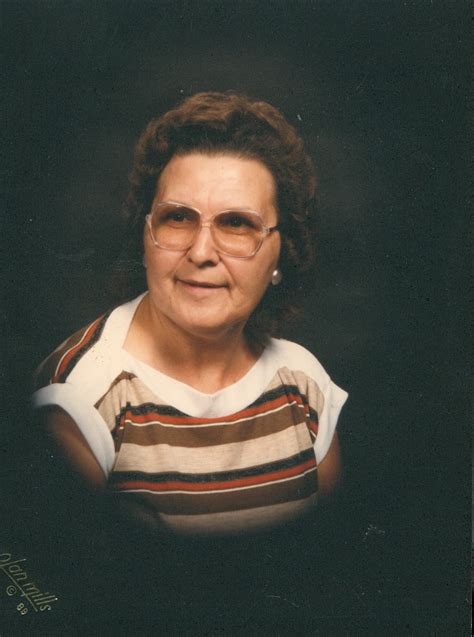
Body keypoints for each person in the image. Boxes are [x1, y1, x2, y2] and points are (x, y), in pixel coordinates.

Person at [31, 91, 347, 538]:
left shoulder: (304, 382)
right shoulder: (79, 398)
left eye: (236, 223)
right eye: (178, 218)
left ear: (282, 252)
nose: (201, 253)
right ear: (145, 235)